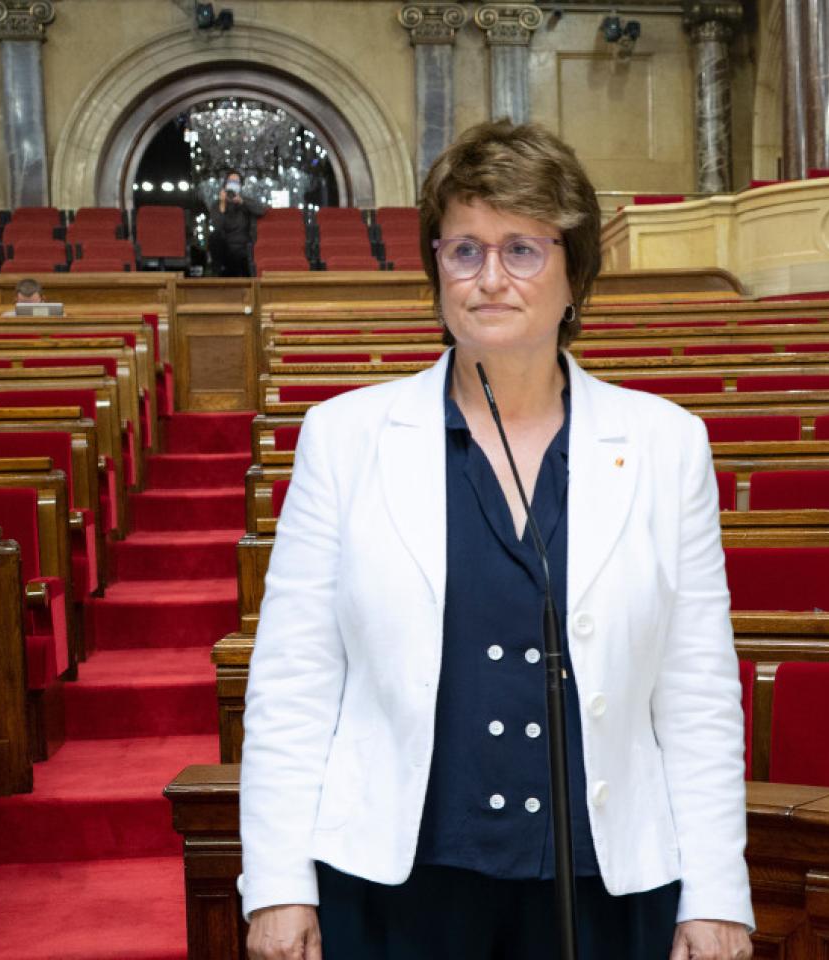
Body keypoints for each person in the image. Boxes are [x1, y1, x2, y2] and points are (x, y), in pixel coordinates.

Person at [240, 120, 754, 960]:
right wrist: (277, 883)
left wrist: (717, 893)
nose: (489, 279)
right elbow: (294, 681)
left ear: (573, 272)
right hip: (396, 883)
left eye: (522, 249)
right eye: (464, 250)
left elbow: (696, 691)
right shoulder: (344, 437)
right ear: (437, 269)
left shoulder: (666, 444)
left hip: (601, 882)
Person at [208, 169, 267, 277]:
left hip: (243, 246)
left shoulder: (245, 201)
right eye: (231, 182)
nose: (233, 185)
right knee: (214, 237)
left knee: (241, 258)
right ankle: (218, 273)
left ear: (240, 185)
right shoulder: (217, 204)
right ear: (225, 184)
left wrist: (242, 201)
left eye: (236, 182)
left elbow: (261, 211)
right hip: (225, 248)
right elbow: (218, 226)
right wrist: (222, 204)